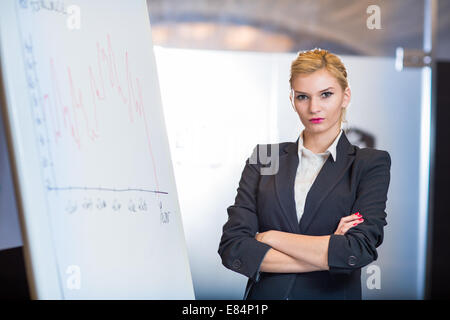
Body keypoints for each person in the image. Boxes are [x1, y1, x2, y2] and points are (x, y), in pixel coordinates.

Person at [217, 48, 391, 300]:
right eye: (303, 97)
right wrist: (329, 249)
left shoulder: (369, 164)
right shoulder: (266, 157)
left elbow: (358, 250)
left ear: (345, 96)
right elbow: (234, 248)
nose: (314, 107)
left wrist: (270, 237)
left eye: (326, 95)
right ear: (292, 100)